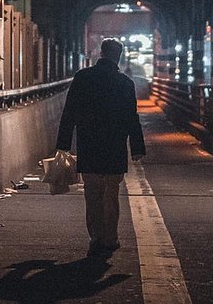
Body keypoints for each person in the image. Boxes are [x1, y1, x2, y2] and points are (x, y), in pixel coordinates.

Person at [55, 37, 146, 257]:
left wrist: (63, 144)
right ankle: (110, 238)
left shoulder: (83, 78)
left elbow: (70, 112)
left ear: (101, 53)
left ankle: (95, 237)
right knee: (111, 195)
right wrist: (137, 147)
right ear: (118, 56)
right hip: (114, 148)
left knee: (93, 194)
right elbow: (131, 118)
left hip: (89, 146)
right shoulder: (125, 83)